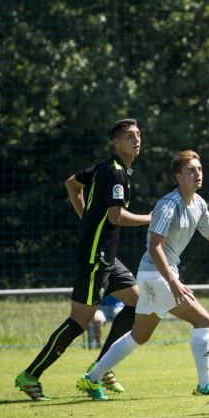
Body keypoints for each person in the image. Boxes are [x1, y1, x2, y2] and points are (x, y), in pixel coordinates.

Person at [77, 150, 209, 400]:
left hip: (155, 276)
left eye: (199, 169)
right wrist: (172, 281)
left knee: (139, 335)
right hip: (157, 275)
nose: (197, 174)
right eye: (191, 170)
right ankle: (205, 384)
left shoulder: (199, 203)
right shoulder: (168, 204)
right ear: (178, 176)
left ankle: (92, 378)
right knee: (202, 320)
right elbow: (154, 245)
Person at [14, 119, 151, 401]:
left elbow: (72, 183)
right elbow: (116, 217)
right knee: (79, 322)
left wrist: (85, 217)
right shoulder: (114, 173)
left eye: (138, 135)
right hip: (95, 256)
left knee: (139, 303)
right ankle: (31, 375)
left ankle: (101, 367)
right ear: (116, 142)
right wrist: (151, 218)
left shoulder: (111, 167)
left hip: (107, 256)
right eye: (128, 136)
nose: (136, 140)